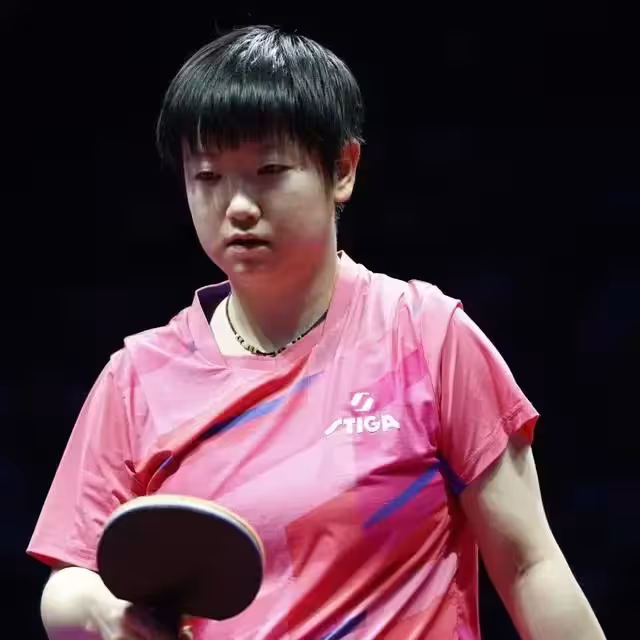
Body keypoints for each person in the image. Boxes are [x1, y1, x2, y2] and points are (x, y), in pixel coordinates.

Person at [28, 25, 606, 640]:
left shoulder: (425, 336)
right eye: (208, 177)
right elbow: (69, 579)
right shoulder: (138, 377)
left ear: (342, 170)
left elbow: (530, 564)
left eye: (269, 170)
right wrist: (106, 615)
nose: (238, 205)